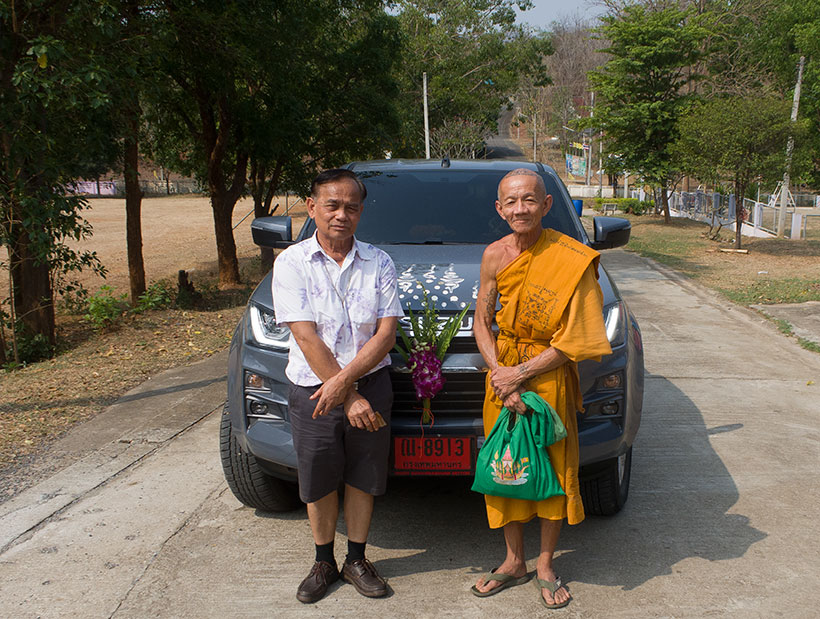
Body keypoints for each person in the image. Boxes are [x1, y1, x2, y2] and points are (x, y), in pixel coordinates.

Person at [471, 168, 612, 609]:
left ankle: (546, 563)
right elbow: (482, 319)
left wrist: (521, 374)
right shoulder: (493, 255)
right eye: (511, 201)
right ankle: (514, 560)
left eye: (529, 200)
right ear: (499, 208)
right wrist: (499, 372)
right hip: (502, 374)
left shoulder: (572, 258)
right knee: (505, 464)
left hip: (548, 376)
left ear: (547, 205)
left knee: (552, 467)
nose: (520, 209)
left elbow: (576, 339)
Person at [272, 168, 403, 604]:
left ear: (361, 212)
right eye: (332, 205)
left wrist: (347, 387)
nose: (341, 215)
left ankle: (357, 559)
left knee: (364, 476)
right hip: (313, 391)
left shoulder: (379, 262)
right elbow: (305, 336)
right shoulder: (290, 263)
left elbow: (386, 334)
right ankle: (324, 561)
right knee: (320, 478)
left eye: (350, 207)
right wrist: (348, 396)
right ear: (312, 207)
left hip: (370, 386)